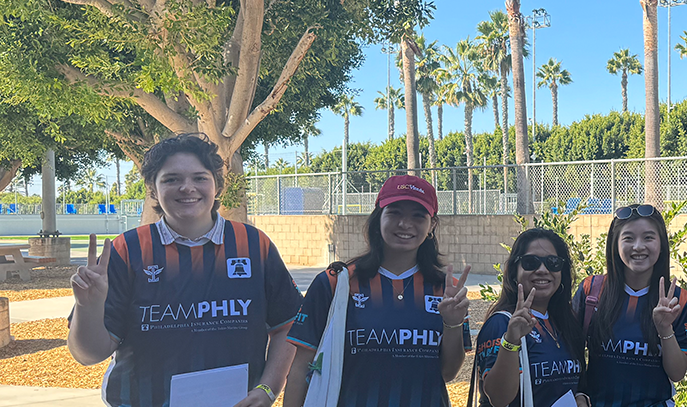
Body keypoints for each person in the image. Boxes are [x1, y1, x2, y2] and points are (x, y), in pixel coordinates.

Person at [67, 133, 303, 406]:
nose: (187, 187)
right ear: (153, 189)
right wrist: (88, 306)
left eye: (200, 177)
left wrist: (268, 388)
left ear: (217, 185)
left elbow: (288, 325)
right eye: (171, 179)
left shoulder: (252, 244)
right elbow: (88, 355)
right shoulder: (129, 250)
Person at [284, 175, 473, 406]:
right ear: (378, 217)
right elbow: (302, 366)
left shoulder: (448, 290)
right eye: (394, 212)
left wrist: (452, 323)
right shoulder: (336, 283)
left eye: (418, 215)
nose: (405, 224)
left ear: (432, 225)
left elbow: (446, 374)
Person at [574, 204, 687, 407]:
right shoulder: (592, 290)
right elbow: (570, 353)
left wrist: (665, 329)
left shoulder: (677, 299)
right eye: (628, 238)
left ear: (661, 244)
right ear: (615, 244)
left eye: (648, 238)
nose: (638, 246)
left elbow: (676, 373)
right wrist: (578, 393)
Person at [474, 228, 589, 407]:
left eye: (553, 262)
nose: (543, 270)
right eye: (530, 262)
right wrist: (511, 341)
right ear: (514, 272)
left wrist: (580, 397)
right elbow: (498, 398)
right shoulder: (501, 323)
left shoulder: (566, 323)